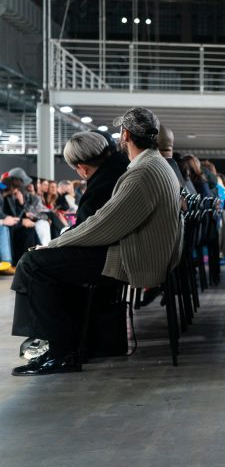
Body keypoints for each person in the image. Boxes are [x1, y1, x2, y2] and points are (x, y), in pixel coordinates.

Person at [11, 107, 182, 376]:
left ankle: (61, 352)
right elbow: (108, 220)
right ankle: (63, 343)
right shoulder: (152, 164)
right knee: (47, 262)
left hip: (136, 259)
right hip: (140, 252)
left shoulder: (142, 172)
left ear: (125, 134)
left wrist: (55, 244)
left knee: (35, 263)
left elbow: (105, 224)